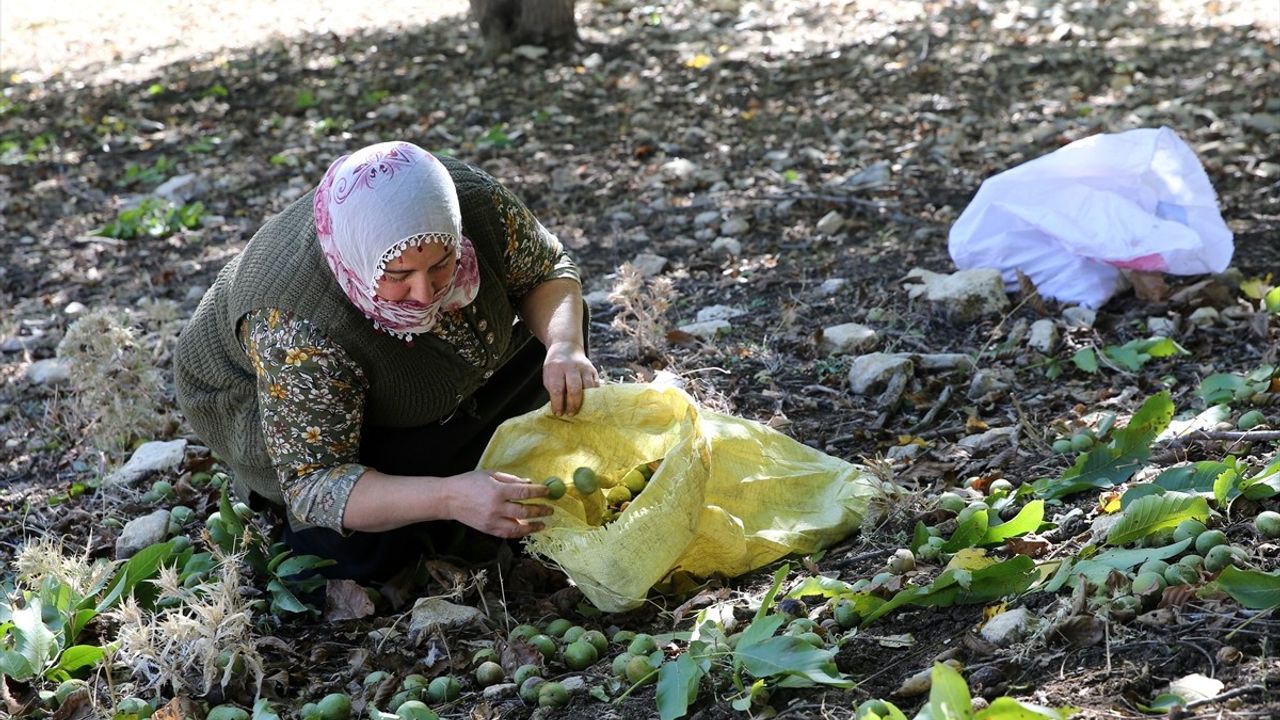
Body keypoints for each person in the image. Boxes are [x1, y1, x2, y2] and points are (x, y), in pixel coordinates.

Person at [174, 140, 599, 580]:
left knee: (556, 338)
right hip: (285, 407)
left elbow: (547, 270)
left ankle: (467, 459)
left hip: (444, 371)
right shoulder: (297, 328)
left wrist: (564, 346)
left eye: (442, 264)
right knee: (363, 558)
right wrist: (448, 497)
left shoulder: (473, 200)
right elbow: (315, 482)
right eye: (399, 276)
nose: (425, 292)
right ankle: (452, 479)